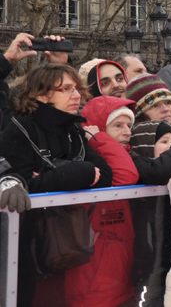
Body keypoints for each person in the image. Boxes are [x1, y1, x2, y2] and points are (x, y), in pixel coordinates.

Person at [0, 64, 113, 306]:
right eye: (66, 89)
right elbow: (21, 187)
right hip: (21, 247)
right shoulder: (21, 128)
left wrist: (53, 173)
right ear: (41, 95)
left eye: (77, 89)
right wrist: (74, 173)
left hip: (67, 244)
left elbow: (104, 175)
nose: (76, 95)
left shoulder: (73, 129)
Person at [66, 97, 140, 307]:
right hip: (92, 290)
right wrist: (96, 137)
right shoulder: (89, 164)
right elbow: (126, 176)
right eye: (118, 126)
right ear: (94, 130)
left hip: (120, 283)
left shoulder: (123, 155)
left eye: (129, 126)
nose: (128, 132)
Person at [129, 120, 171, 307]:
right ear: (146, 144)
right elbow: (159, 170)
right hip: (147, 264)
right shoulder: (139, 164)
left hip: (170, 257)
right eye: (164, 141)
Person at [126, 73, 171, 139]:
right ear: (140, 115)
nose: (165, 109)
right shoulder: (134, 147)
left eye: (168, 103)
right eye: (155, 106)